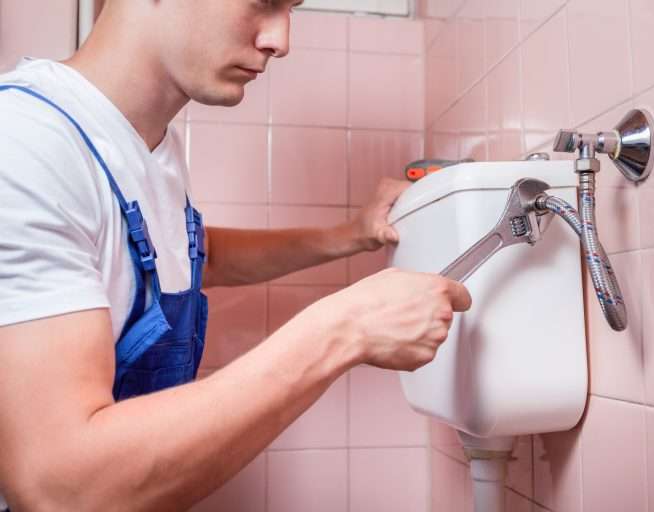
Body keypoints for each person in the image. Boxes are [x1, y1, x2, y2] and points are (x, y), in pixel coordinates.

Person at [0, 0, 472, 510]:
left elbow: (192, 256)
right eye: (264, 3)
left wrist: (351, 234)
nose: (281, 41)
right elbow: (56, 487)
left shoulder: (147, 146)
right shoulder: (25, 144)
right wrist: (343, 330)